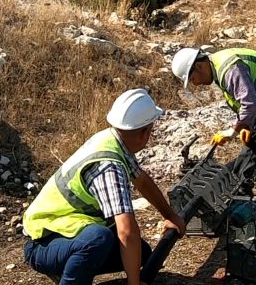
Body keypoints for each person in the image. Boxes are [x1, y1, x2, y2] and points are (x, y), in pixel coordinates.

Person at [22, 89, 186, 285]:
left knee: (141, 253)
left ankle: (70, 269)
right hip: (42, 244)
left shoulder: (113, 140)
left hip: (67, 234)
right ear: (144, 132)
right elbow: (126, 230)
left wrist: (169, 215)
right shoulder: (109, 167)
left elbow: (141, 181)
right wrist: (134, 283)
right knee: (99, 239)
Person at [171, 47, 256, 197]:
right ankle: (239, 188)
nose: (195, 84)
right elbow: (245, 100)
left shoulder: (229, 69)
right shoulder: (218, 68)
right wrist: (245, 125)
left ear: (199, 66)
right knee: (250, 141)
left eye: (192, 79)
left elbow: (250, 104)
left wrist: (234, 130)